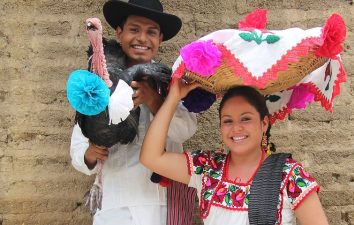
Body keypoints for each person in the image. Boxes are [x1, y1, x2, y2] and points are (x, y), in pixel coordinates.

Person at [70, 0, 197, 224]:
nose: (142, 38)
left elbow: (185, 131)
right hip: (114, 205)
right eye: (134, 29)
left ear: (160, 39)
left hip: (163, 203)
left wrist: (154, 100)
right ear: (119, 33)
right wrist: (90, 154)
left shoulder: (172, 83)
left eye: (151, 32)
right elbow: (79, 150)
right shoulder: (98, 84)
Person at [140, 79, 330, 225]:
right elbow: (151, 157)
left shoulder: (289, 175)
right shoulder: (207, 168)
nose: (236, 128)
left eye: (245, 119)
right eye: (228, 121)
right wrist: (173, 97)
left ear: (264, 123)